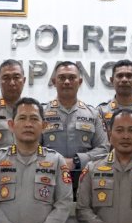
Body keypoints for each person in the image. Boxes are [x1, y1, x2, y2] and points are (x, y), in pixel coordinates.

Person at [42, 61, 109, 194]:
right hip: (47, 178)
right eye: (62, 78)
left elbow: (104, 148)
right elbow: (32, 146)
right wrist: (55, 161)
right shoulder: (41, 113)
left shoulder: (93, 114)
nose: (67, 82)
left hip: (84, 179)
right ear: (54, 82)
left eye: (72, 78)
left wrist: (76, 161)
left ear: (80, 82)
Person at [97, 60, 132, 149]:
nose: (124, 80)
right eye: (120, 76)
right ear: (112, 80)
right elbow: (101, 145)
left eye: (129, 76)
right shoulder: (101, 111)